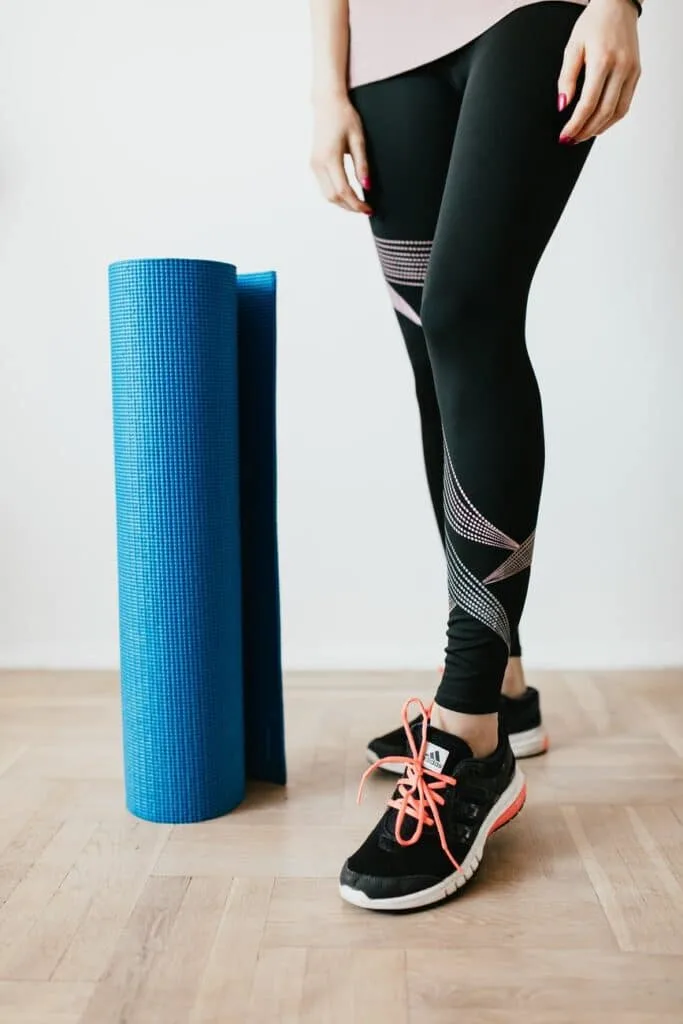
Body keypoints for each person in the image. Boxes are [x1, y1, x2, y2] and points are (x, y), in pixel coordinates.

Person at [310, 0, 643, 912]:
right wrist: (323, 83)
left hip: (533, 15)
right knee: (433, 351)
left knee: (466, 313)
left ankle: (471, 735)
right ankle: (505, 680)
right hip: (385, 46)